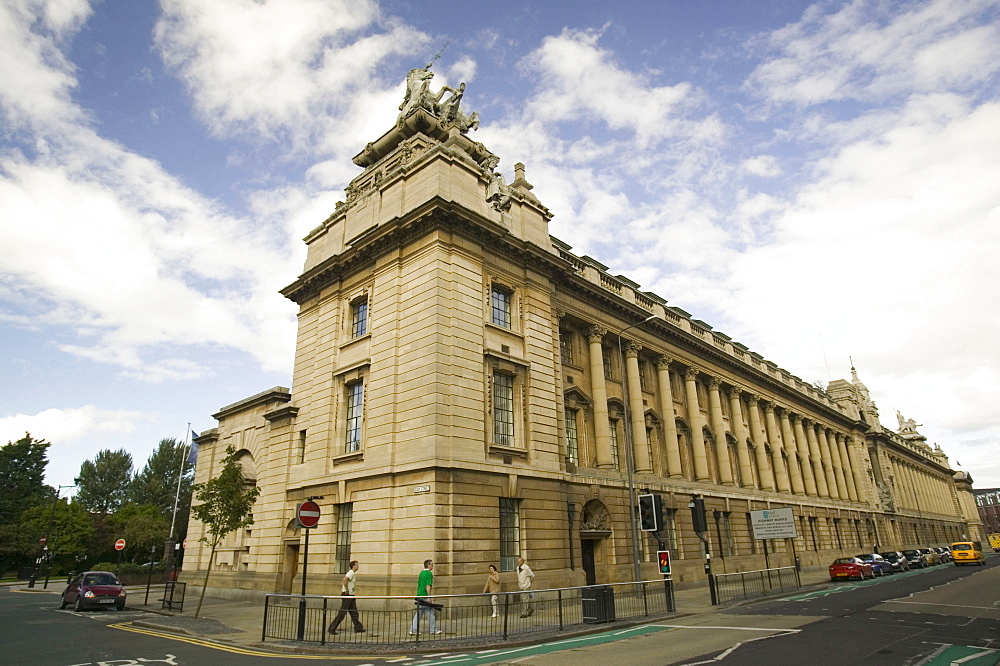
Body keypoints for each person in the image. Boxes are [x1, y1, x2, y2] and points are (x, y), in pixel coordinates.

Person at [327, 560, 365, 634]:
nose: (358, 566)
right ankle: (332, 628)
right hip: (347, 595)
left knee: (354, 612)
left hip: (351, 595)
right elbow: (345, 579)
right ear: (353, 566)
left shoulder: (352, 573)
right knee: (342, 612)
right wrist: (346, 590)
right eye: (356, 565)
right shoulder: (350, 572)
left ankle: (358, 627)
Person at [409, 559, 442, 635]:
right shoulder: (429, 574)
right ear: (429, 565)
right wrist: (429, 597)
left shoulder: (421, 573)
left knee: (418, 614)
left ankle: (413, 630)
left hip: (419, 595)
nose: (432, 566)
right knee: (431, 613)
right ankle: (432, 630)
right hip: (425, 596)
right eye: (432, 564)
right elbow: (428, 586)